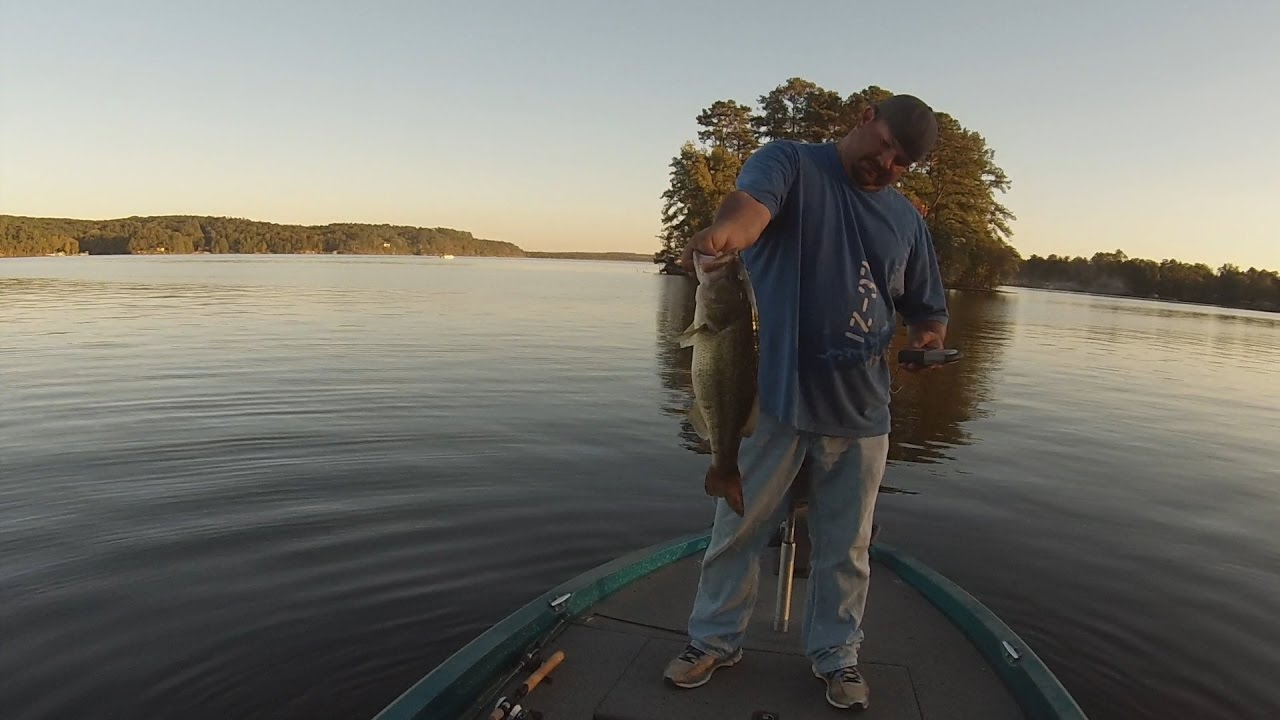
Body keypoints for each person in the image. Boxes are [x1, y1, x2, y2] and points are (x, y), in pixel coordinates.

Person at [663, 94, 949, 711]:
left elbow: (927, 308)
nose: (889, 163)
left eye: (903, 162)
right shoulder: (790, 163)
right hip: (778, 403)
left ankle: (837, 656)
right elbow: (748, 211)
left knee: (847, 548)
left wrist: (928, 342)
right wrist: (724, 237)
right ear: (866, 117)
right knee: (738, 530)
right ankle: (712, 640)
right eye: (887, 145)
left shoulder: (906, 221)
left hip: (864, 411)